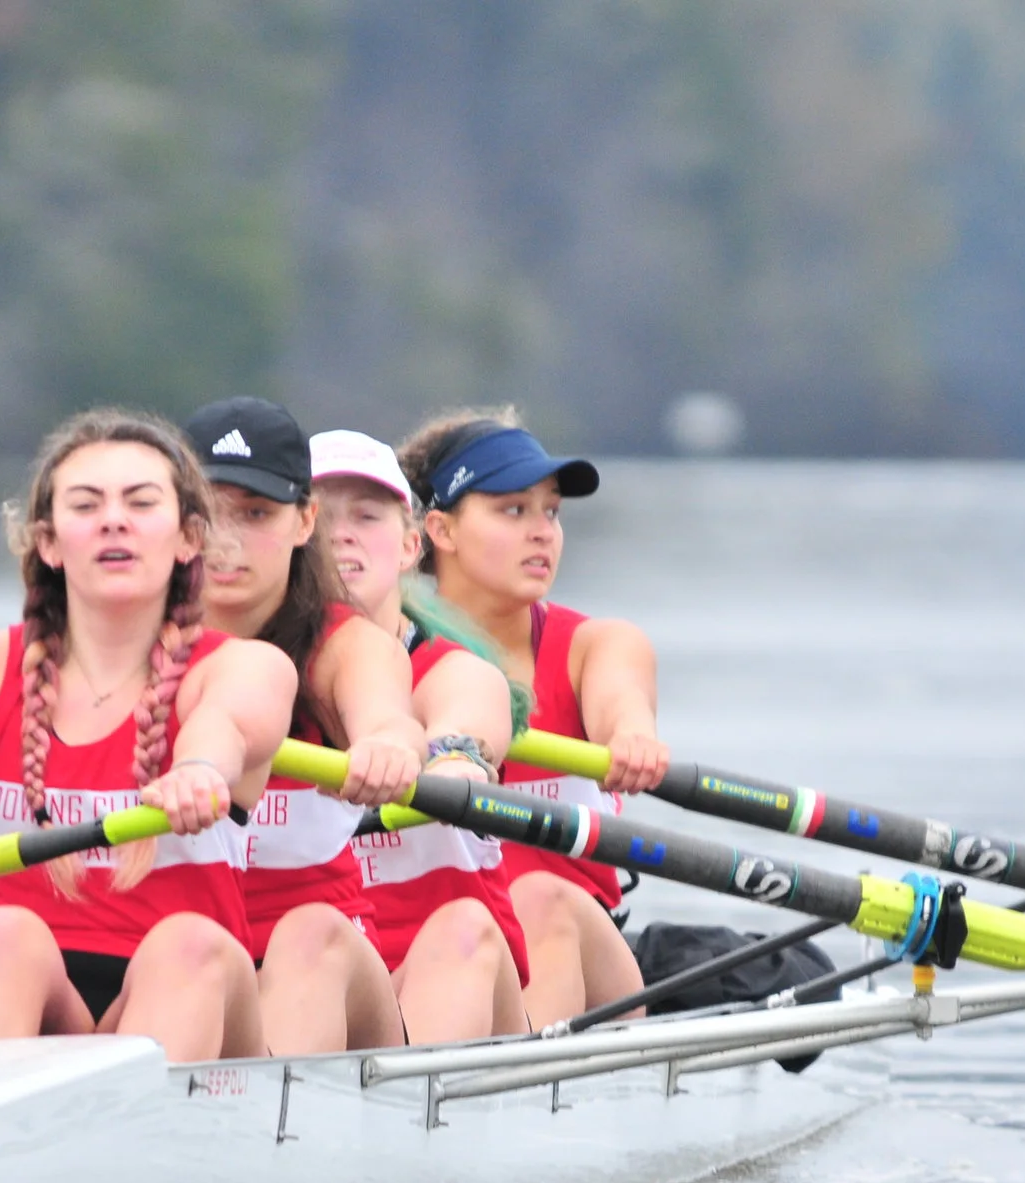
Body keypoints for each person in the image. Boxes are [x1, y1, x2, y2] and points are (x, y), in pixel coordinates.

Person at [0, 409, 297, 1063]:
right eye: (86, 505)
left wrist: (200, 769)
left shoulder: (245, 666)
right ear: (49, 543)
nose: (114, 521)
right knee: (4, 935)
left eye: (140, 503)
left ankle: (125, 1117)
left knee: (189, 943)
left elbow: (226, 723)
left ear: (188, 538)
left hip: (194, 997)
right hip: (17, 990)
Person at [397, 409, 669, 1029]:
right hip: (441, 952)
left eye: (551, 512)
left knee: (537, 899)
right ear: (440, 529)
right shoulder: (376, 656)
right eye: (513, 511)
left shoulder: (596, 647)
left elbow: (622, 705)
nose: (542, 532)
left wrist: (632, 739)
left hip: (582, 959)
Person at [183, 397, 422, 1055]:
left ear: (304, 521)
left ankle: (268, 1111)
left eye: (256, 514)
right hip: (185, 964)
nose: (228, 541)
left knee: (308, 933)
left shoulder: (345, 644)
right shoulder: (131, 642)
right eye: (209, 514)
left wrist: (386, 747)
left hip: (326, 972)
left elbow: (388, 716)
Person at [312, 428, 531, 1043]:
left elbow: (465, 730)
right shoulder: (249, 677)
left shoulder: (453, 673)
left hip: (447, 977)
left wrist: (453, 763)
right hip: (323, 978)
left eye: (366, 516)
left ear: (411, 545)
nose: (342, 534)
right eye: (321, 517)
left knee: (463, 927)